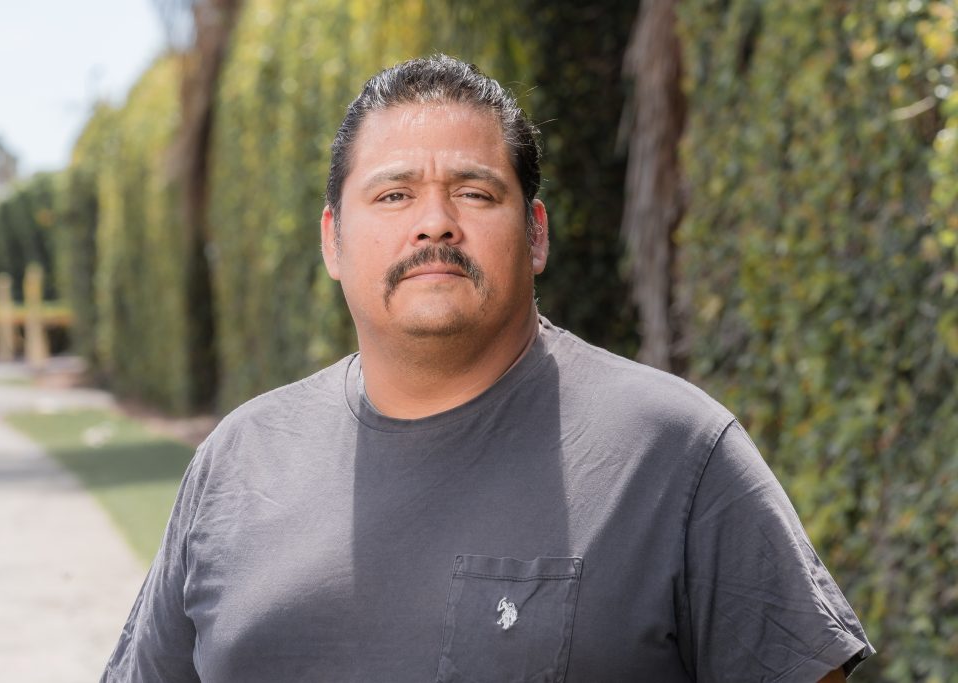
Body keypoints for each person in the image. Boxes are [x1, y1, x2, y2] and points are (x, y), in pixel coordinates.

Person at [102, 54, 874, 682]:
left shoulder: (676, 455)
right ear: (332, 241)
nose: (434, 221)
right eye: (394, 193)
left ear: (534, 234)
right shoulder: (238, 462)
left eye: (474, 191)